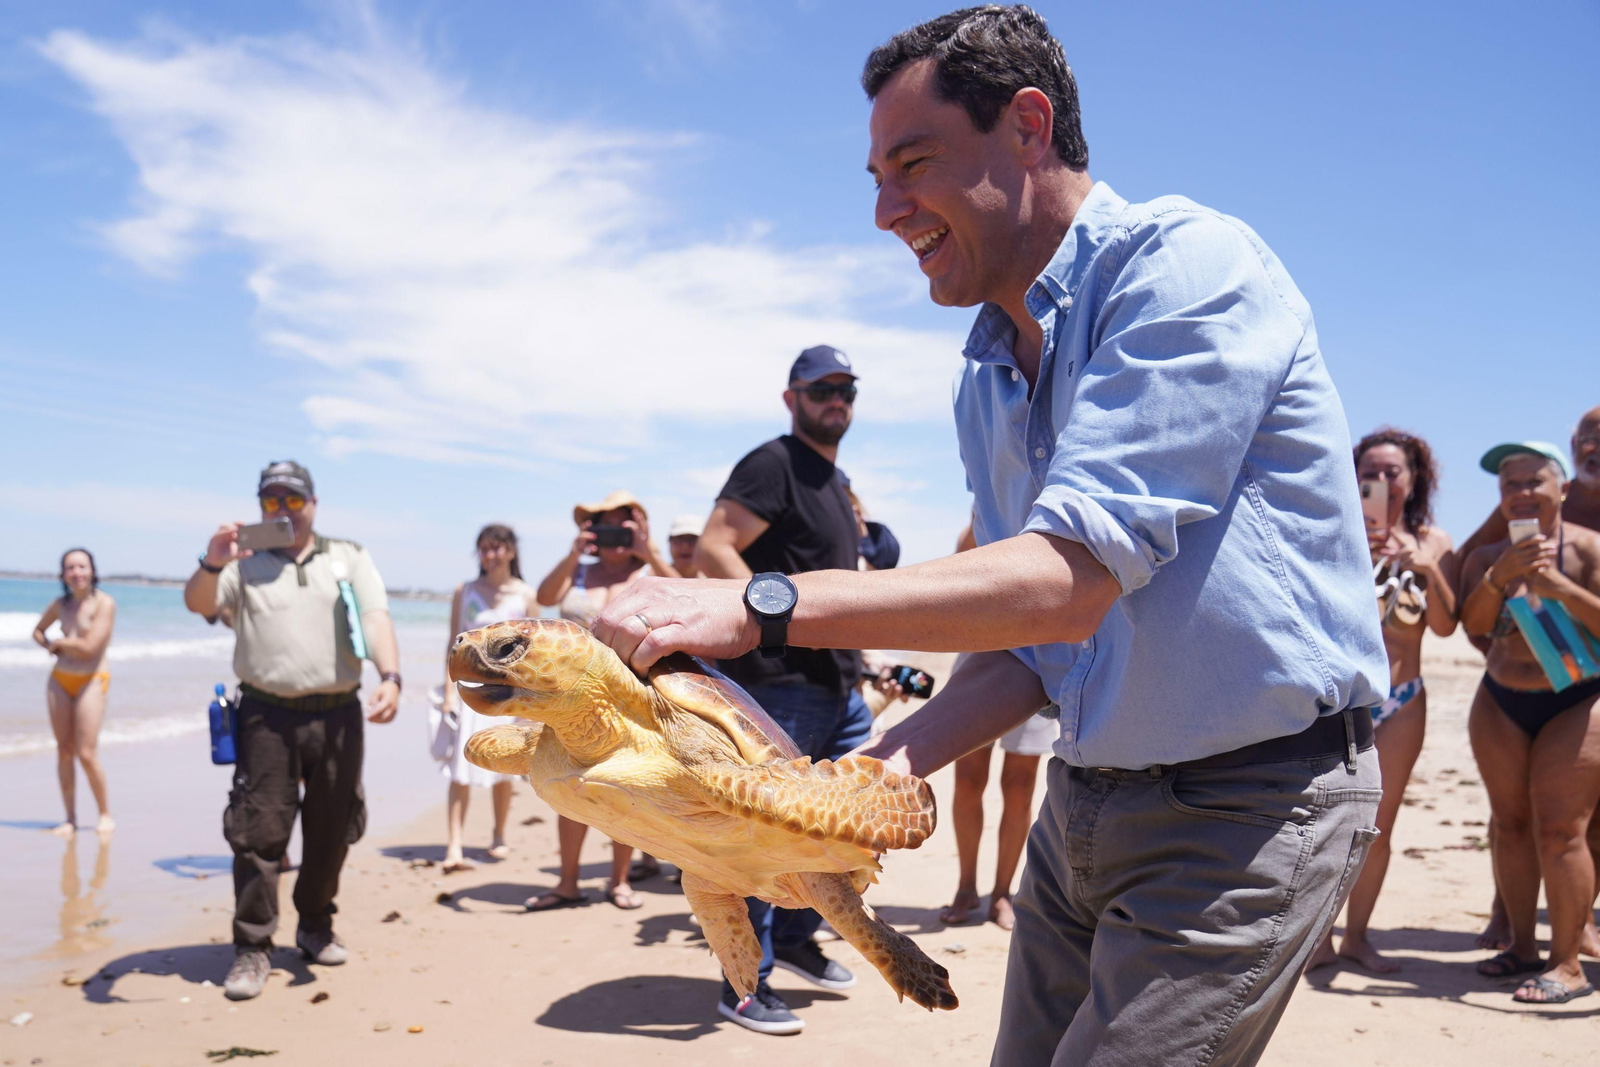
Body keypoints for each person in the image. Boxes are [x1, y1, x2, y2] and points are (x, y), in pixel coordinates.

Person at [593, 9, 1386, 1064]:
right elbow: (1028, 646)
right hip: (1084, 796)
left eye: (912, 164)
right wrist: (866, 774)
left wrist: (759, 601)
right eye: (875, 176)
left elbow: (1065, 580)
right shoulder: (985, 370)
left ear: (1026, 127)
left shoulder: (1188, 269)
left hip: (1251, 801)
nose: (884, 211)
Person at [691, 344, 873, 1035]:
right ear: (791, 396)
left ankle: (797, 940)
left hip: (839, 683)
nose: (838, 399)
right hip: (780, 684)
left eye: (848, 389)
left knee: (828, 829)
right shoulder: (773, 462)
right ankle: (744, 981)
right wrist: (775, 619)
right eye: (824, 387)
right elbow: (714, 545)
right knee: (763, 837)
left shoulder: (834, 477)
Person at [183, 461, 402, 1002]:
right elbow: (200, 603)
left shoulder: (348, 555)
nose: (282, 511)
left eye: (292, 501)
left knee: (333, 828)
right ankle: (253, 945)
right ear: (260, 507)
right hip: (265, 715)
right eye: (271, 502)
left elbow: (375, 617)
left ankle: (315, 924)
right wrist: (212, 563)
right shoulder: (242, 562)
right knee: (259, 834)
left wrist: (391, 676)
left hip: (338, 713)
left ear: (313, 503)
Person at [1308, 430, 1457, 973]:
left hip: (1404, 699)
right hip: (1340, 700)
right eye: (1371, 472)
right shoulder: (1332, 530)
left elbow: (1444, 625)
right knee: (1326, 823)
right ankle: (1314, 941)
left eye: (1395, 472)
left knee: (1379, 828)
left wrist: (1423, 565)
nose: (1384, 482)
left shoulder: (1434, 542)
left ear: (1415, 480)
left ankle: (1358, 937)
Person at [1460, 442, 1600, 1004]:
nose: (1520, 493)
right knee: (1510, 824)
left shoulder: (1591, 551)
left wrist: (1558, 589)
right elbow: (1469, 628)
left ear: (1562, 490)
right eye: (1508, 485)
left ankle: (1567, 963)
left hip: (1578, 699)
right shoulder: (1487, 556)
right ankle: (1521, 947)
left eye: (1533, 481)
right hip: (1500, 700)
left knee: (1561, 830)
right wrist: (1498, 581)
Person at [527, 491, 677, 912]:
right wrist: (573, 554)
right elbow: (544, 595)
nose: (613, 537)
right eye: (603, 526)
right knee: (568, 782)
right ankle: (568, 882)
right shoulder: (579, 571)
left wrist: (648, 552)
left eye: (621, 527)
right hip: (570, 696)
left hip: (631, 695)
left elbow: (684, 593)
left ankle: (619, 880)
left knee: (624, 787)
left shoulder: (650, 574)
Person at [937, 522, 1053, 931]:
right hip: (978, 652)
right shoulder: (988, 504)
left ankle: (1003, 892)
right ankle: (966, 886)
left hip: (1040, 652)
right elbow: (958, 569)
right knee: (968, 781)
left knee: (1020, 788)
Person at [437, 524, 537, 873]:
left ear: (510, 551)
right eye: (484, 548)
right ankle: (454, 845)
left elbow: (533, 654)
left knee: (503, 769)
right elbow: (453, 644)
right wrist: (449, 692)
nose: (490, 555)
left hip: (509, 694)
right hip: (469, 690)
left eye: (497, 548)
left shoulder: (525, 594)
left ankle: (498, 834)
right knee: (458, 771)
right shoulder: (464, 591)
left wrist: (531, 704)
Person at [32, 548, 116, 837]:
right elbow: (38, 631)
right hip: (59, 680)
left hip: (92, 678)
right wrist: (51, 647)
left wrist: (61, 644)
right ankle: (70, 818)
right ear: (63, 574)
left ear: (92, 570)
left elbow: (91, 647)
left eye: (82, 566)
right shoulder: (60, 604)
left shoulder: (104, 604)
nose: (76, 573)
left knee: (86, 752)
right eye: (70, 568)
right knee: (64, 751)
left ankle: (104, 814)